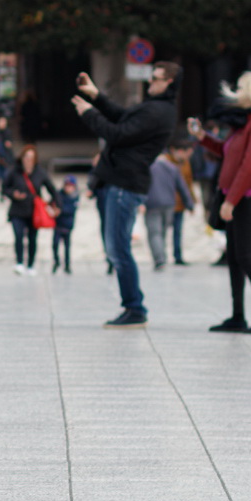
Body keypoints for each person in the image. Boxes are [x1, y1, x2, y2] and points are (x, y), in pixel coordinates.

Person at [72, 62, 181, 327]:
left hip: (125, 185)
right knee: (116, 248)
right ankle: (133, 306)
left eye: (155, 78)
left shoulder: (159, 111)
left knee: (118, 249)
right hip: (117, 182)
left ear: (169, 82)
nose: (150, 82)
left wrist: (89, 113)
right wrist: (96, 96)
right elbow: (123, 117)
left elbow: (117, 134)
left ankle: (134, 307)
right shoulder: (154, 108)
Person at [187, 71, 251, 334]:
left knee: (245, 256)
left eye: (240, 88)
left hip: (248, 198)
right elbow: (226, 152)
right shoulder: (243, 123)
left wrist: (230, 201)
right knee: (234, 257)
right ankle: (237, 316)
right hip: (234, 195)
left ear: (250, 91)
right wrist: (202, 136)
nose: (235, 92)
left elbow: (249, 166)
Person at [2, 145, 59, 276]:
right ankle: (19, 262)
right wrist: (13, 194)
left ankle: (31, 264)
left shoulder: (40, 172)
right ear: (22, 158)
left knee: (32, 238)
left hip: (34, 211)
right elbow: (4, 188)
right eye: (26, 157)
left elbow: (52, 189)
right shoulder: (14, 171)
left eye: (31, 158)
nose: (28, 160)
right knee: (18, 236)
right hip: (17, 210)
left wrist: (55, 204)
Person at [143, 152, 194, 271]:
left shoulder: (148, 167)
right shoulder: (173, 168)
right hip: (169, 204)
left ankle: (159, 259)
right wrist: (189, 204)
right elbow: (182, 187)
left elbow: (140, 185)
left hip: (152, 203)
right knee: (163, 231)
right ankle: (162, 257)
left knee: (154, 233)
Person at [165, 142, 197, 265]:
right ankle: (161, 256)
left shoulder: (186, 164)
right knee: (162, 230)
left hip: (180, 204)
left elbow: (188, 182)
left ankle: (177, 256)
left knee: (177, 231)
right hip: (167, 202)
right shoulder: (165, 162)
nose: (187, 156)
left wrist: (191, 200)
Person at [53, 175, 79, 274]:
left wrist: (60, 210)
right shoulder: (59, 194)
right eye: (66, 185)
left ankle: (67, 265)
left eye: (70, 186)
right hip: (58, 224)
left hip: (68, 225)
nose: (68, 188)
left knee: (67, 247)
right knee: (55, 244)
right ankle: (56, 261)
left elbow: (71, 210)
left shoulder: (75, 197)